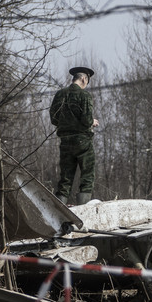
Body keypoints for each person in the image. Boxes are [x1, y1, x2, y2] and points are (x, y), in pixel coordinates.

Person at [49, 66, 99, 205]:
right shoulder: (84, 96)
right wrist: (92, 122)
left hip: (65, 141)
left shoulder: (60, 94)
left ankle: (60, 212)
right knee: (87, 176)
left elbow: (54, 118)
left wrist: (66, 124)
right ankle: (83, 210)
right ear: (84, 79)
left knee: (65, 178)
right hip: (82, 141)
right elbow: (86, 119)